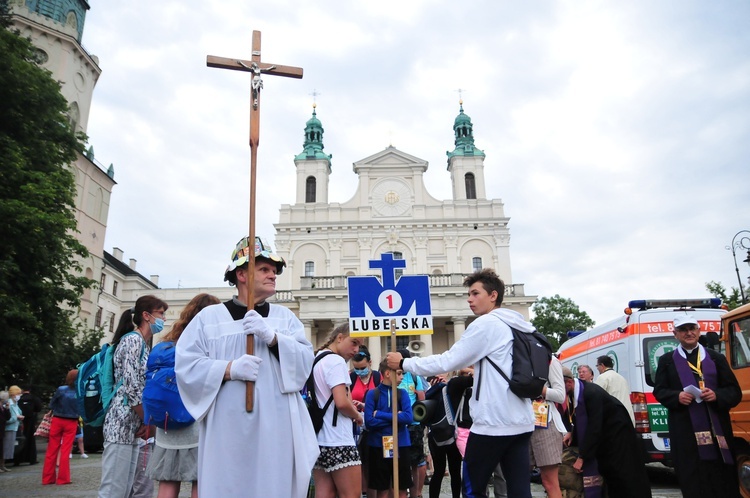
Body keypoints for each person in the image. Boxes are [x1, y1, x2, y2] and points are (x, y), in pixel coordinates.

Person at [175, 237, 318, 497]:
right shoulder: (209, 319)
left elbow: (304, 364)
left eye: (274, 271)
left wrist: (274, 339)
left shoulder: (285, 319)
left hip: (275, 427)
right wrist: (229, 369)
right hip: (227, 427)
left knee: (272, 483)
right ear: (241, 274)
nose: (273, 275)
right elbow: (186, 366)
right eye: (264, 269)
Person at [386, 268, 536, 498]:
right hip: (522, 420)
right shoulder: (519, 325)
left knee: (472, 489)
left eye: (475, 293)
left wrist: (405, 363)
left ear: (493, 295)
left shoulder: (486, 324)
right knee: (519, 491)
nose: (469, 299)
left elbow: (448, 360)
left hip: (493, 422)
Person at [653, 314, 742, 498]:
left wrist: (717, 395)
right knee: (692, 479)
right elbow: (660, 391)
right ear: (675, 334)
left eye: (692, 328)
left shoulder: (715, 357)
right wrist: (676, 396)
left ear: (698, 331)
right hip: (685, 433)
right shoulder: (667, 360)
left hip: (717, 430)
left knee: (721, 480)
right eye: (683, 330)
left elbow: (734, 391)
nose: (689, 333)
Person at [146, 293, 220, 498]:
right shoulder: (207, 343)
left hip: (166, 427)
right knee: (200, 481)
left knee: (168, 482)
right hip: (197, 424)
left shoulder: (169, 343)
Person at [98, 294, 168, 498]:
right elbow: (132, 386)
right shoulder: (133, 341)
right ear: (146, 315)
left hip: (131, 426)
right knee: (113, 489)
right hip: (120, 424)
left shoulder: (142, 343)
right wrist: (148, 419)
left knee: (126, 489)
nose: (163, 318)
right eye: (160, 313)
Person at [563, 367, 651, 498]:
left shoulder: (591, 392)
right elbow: (579, 418)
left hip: (619, 436)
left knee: (622, 476)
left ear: (569, 383)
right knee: (609, 474)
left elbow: (594, 427)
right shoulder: (577, 392)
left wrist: (582, 457)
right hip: (607, 436)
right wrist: (572, 432)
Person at [312, 323, 364, 498]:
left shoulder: (318, 358)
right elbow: (341, 402)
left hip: (319, 440)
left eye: (359, 346)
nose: (356, 350)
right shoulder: (336, 361)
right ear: (340, 337)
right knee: (352, 494)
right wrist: (357, 415)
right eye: (354, 343)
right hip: (339, 440)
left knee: (324, 493)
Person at [364, 359, 413, 498]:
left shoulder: (402, 394)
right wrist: (396, 418)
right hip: (378, 445)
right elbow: (369, 422)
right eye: (398, 373)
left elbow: (409, 418)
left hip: (401, 444)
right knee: (382, 489)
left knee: (402, 488)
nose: (402, 377)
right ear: (387, 373)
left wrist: (380, 414)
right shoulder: (372, 394)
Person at [424, 369, 473, 498]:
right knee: (454, 471)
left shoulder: (436, 387)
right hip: (452, 432)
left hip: (436, 433)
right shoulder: (454, 385)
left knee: (439, 471)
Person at [397, 349, 428, 498]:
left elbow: (422, 398)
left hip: (414, 424)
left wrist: (418, 395)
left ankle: (415, 494)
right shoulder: (392, 376)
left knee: (415, 462)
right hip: (396, 424)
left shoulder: (414, 376)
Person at [350, 346, 380, 497]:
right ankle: (361, 492)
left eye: (362, 368)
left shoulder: (377, 377)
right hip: (356, 425)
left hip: (374, 424)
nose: (359, 371)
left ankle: (372, 493)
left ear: (370, 363)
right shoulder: (351, 377)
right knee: (358, 461)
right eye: (356, 368)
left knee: (372, 462)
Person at [42, 370, 80, 485]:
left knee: (52, 450)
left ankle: (47, 479)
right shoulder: (80, 392)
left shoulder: (61, 389)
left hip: (57, 420)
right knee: (65, 450)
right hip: (71, 422)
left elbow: (52, 405)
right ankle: (63, 479)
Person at [594, 355, 635, 426]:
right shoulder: (622, 378)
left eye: (597, 366)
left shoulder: (602, 378)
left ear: (602, 365)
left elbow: (596, 398)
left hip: (614, 419)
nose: (597, 368)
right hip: (628, 417)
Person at [15, 386, 42, 466]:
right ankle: (31, 459)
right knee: (31, 440)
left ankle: (17, 460)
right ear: (30, 390)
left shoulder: (19, 399)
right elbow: (39, 408)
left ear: (22, 390)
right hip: (31, 421)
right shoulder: (34, 398)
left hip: (20, 421)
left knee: (19, 439)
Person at [2, 388, 24, 472]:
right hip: (9, 428)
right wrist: (16, 417)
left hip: (14, 427)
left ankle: (3, 465)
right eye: (17, 394)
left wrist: (19, 417)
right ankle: (2, 465)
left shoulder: (15, 403)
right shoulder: (9, 404)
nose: (19, 396)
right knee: (5, 447)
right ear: (13, 394)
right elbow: (7, 419)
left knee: (8, 448)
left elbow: (19, 412)